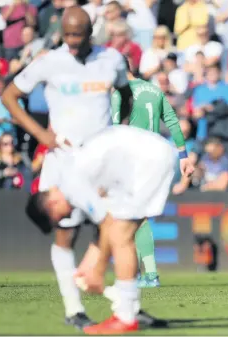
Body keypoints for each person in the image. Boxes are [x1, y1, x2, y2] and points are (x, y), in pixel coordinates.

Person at [1, 6, 134, 330]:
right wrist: (42, 134)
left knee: (115, 229)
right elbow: (9, 96)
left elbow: (126, 94)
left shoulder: (111, 60)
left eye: (78, 35)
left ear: (91, 33)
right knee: (66, 233)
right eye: (68, 35)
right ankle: (74, 308)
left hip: (102, 161)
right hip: (63, 162)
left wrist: (121, 130)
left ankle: (125, 304)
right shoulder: (49, 61)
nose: (72, 42)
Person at [25, 125, 176, 334]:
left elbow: (108, 223)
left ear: (51, 205)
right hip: (149, 156)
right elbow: (109, 218)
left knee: (121, 236)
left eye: (58, 219)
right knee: (122, 233)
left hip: (147, 162)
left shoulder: (72, 186)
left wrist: (97, 271)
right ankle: (127, 310)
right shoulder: (71, 174)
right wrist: (90, 261)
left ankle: (125, 316)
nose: (66, 219)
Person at [81, 60, 194, 289]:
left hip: (132, 159)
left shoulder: (119, 94)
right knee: (138, 218)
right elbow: (172, 121)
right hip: (158, 155)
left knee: (133, 219)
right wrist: (184, 156)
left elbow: (113, 130)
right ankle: (144, 273)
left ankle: (148, 274)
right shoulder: (153, 89)